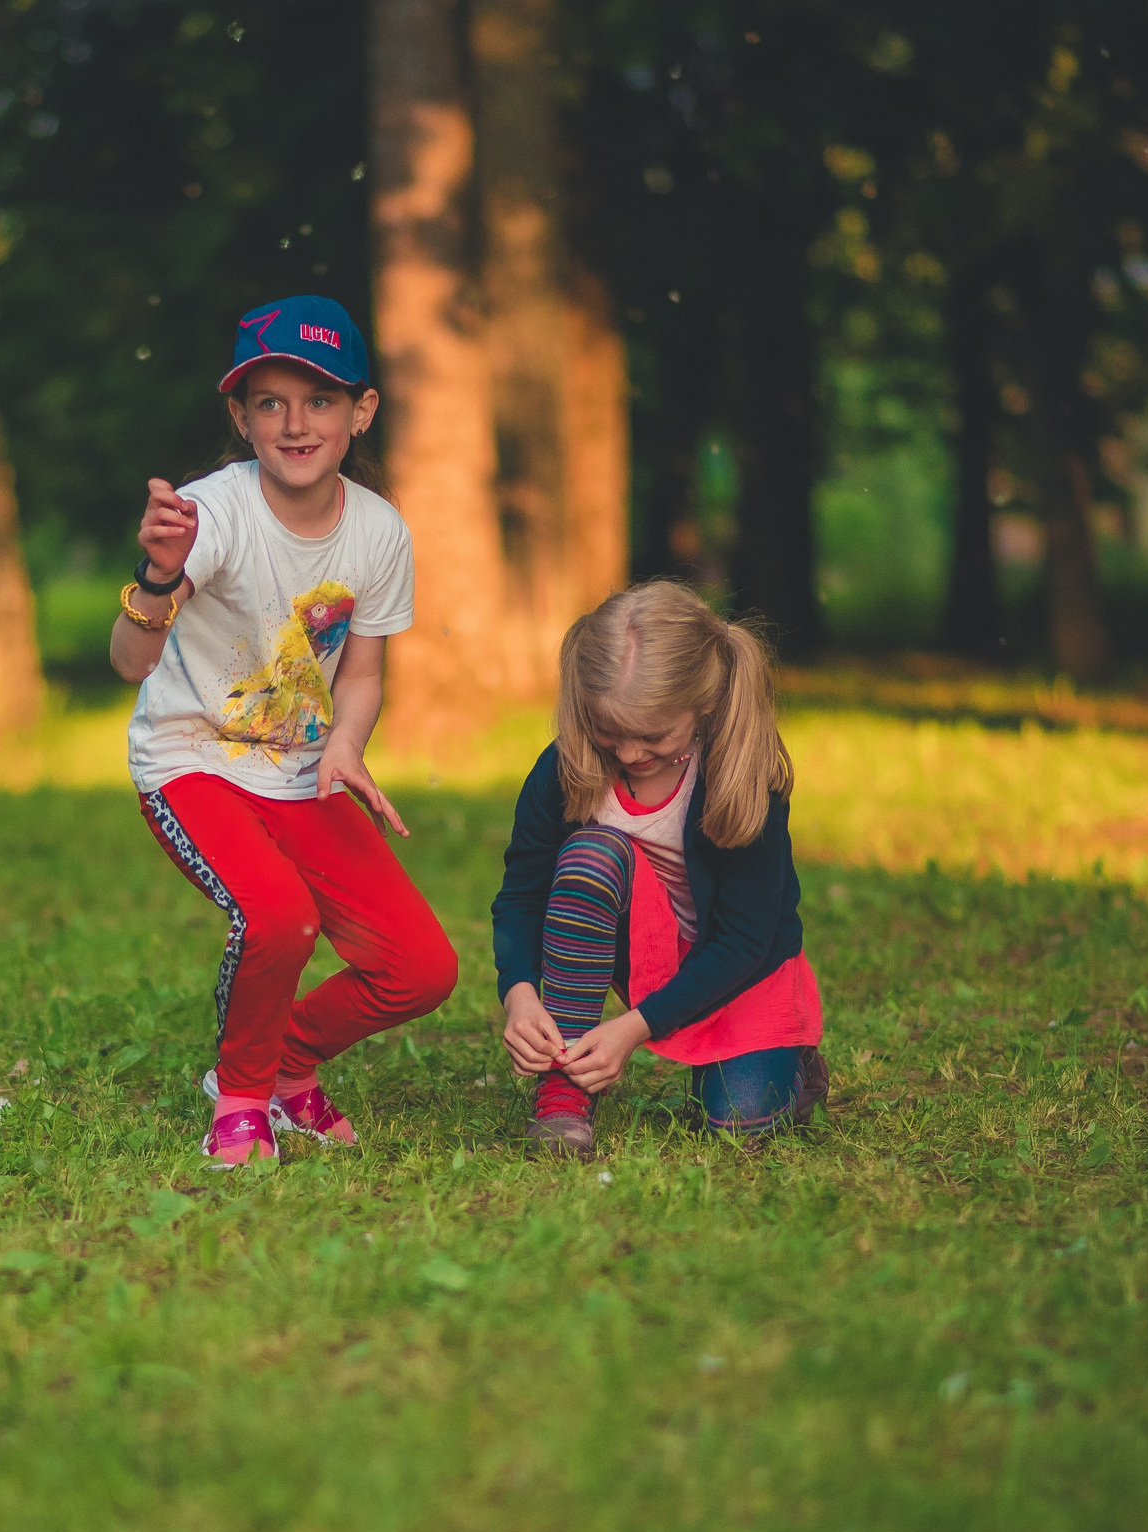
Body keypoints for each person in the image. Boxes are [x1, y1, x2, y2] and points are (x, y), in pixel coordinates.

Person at [112, 295, 458, 1167]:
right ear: (240, 416)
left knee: (420, 968)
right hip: (192, 760)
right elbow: (128, 660)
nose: (296, 423)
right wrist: (156, 578)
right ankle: (239, 1100)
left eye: (321, 400)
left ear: (360, 413)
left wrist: (346, 745)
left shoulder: (380, 533)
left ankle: (288, 1065)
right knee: (279, 917)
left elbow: (366, 672)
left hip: (303, 770)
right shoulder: (213, 513)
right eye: (270, 401)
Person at [490, 582, 827, 1157]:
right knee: (591, 855)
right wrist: (520, 993)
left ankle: (798, 1066)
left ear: (705, 704)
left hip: (738, 967)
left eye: (651, 736)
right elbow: (521, 895)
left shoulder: (742, 774)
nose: (627, 754)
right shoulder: (566, 767)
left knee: (739, 1119)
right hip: (642, 945)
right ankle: (564, 1092)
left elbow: (746, 939)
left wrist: (633, 1028)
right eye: (609, 733)